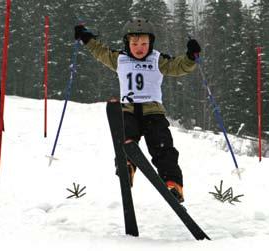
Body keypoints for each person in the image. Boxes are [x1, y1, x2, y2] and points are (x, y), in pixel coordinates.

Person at [74, 17, 201, 203]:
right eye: (134, 43)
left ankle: (173, 184)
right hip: (128, 110)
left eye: (144, 43)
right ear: (127, 43)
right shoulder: (119, 59)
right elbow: (99, 51)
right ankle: (126, 166)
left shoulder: (158, 60)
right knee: (126, 138)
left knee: (163, 148)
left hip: (153, 112)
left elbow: (179, 66)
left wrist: (191, 56)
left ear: (151, 43)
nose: (139, 47)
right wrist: (86, 38)